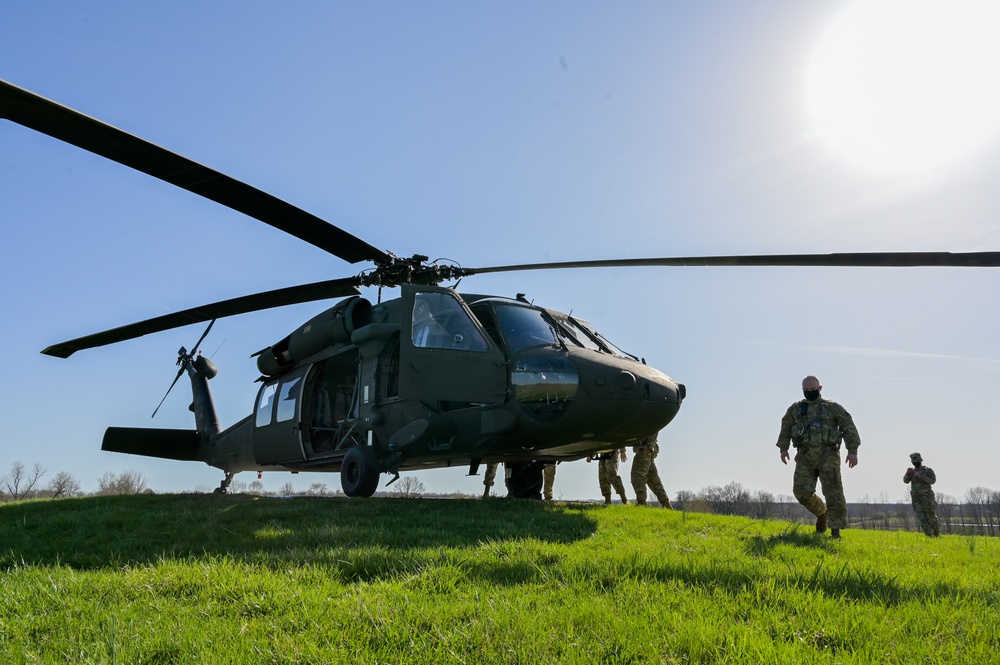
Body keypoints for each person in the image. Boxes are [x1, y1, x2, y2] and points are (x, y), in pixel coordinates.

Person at [776, 375, 860, 539]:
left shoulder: (832, 408)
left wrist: (852, 451)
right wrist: (783, 448)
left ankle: (835, 532)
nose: (809, 393)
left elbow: (848, 426)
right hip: (805, 456)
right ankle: (822, 514)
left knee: (833, 493)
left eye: (812, 390)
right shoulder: (796, 409)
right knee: (801, 492)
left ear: (820, 388)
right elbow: (786, 426)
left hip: (828, 456)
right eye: (806, 390)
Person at [904, 452, 939, 537]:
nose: (914, 462)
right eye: (913, 461)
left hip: (927, 497)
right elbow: (905, 481)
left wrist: (920, 475)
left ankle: (936, 534)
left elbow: (932, 481)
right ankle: (929, 535)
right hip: (916, 498)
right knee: (921, 517)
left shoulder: (927, 470)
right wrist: (908, 474)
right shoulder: (912, 471)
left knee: (930, 516)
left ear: (920, 460)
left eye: (915, 460)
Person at [630, 435, 671, 507]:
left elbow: (654, 428)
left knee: (637, 475)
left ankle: (641, 503)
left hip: (644, 449)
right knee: (652, 479)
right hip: (645, 448)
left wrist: (648, 447)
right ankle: (667, 505)